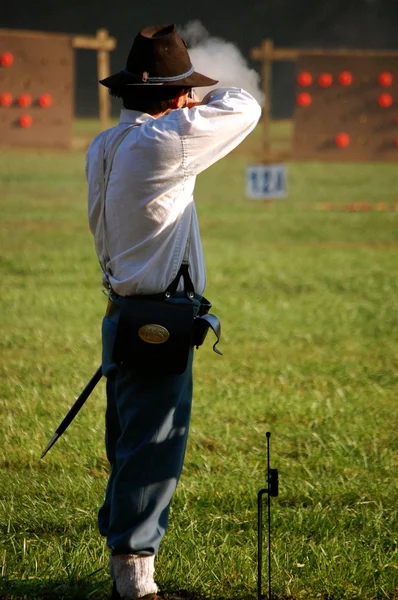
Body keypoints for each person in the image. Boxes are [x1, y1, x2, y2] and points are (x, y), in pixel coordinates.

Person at [86, 23, 261, 600]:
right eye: (185, 91)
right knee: (153, 444)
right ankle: (136, 583)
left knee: (130, 440)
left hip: (124, 314)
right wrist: (198, 99)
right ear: (174, 97)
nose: (192, 99)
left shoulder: (106, 144)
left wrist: (181, 96)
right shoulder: (165, 140)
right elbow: (245, 106)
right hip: (156, 318)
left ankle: (123, 561)